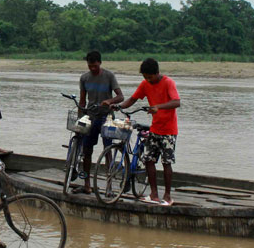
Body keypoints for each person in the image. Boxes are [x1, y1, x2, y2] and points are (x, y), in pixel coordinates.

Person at [105, 58, 180, 205]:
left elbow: (176, 102)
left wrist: (158, 107)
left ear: (157, 73)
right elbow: (133, 99)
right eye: (145, 77)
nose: (148, 80)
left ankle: (167, 196)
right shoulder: (145, 84)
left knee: (166, 162)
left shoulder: (168, 82)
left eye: (150, 77)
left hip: (169, 131)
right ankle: (153, 194)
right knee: (148, 160)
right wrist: (119, 106)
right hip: (155, 129)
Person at [74, 50, 123, 194]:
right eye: (90, 66)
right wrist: (80, 119)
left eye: (95, 66)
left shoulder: (109, 76)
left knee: (108, 150)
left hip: (106, 117)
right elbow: (82, 101)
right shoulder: (84, 78)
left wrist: (109, 101)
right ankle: (87, 184)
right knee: (87, 150)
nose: (93, 69)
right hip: (91, 116)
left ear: (100, 63)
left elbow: (120, 96)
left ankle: (109, 186)